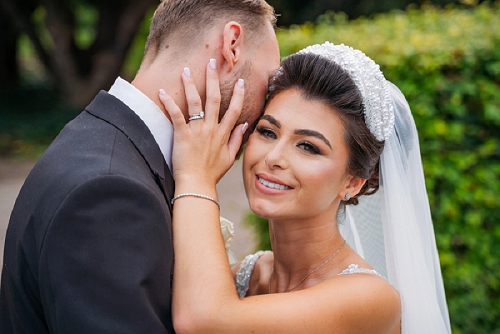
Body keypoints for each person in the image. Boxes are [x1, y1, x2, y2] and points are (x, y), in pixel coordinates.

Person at [0, 0, 279, 332]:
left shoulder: (96, 141)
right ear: (231, 46)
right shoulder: (109, 193)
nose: (265, 106)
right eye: (269, 79)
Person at [159, 42, 452, 333]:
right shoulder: (246, 276)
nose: (273, 157)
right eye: (267, 131)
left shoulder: (370, 298)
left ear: (352, 182)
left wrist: (196, 175)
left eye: (308, 147)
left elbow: (202, 322)